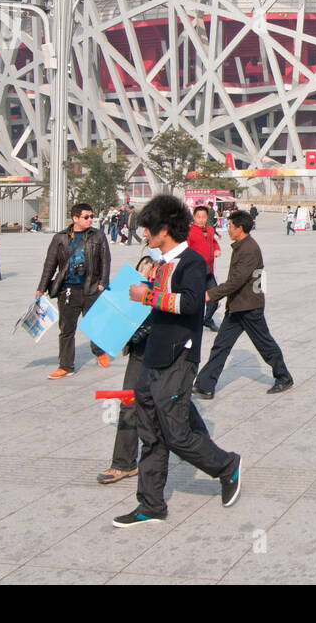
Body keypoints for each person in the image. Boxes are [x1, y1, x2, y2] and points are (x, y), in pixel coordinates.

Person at [113, 195, 242, 527]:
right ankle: (151, 504)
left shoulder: (192, 263)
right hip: (152, 355)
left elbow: (191, 305)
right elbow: (157, 308)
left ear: (164, 229)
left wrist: (149, 295)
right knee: (151, 434)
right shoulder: (159, 264)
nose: (144, 236)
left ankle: (226, 466)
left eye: (148, 230)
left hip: (179, 358)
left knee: (177, 434)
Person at [194, 210, 294, 398]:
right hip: (237, 306)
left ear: (240, 228)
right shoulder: (241, 245)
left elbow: (237, 281)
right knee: (221, 346)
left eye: (231, 226)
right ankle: (204, 385)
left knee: (265, 344)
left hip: (249, 307)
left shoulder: (249, 249)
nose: (228, 229)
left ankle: (284, 377)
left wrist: (210, 295)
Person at [98, 249, 156, 486]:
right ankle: (123, 463)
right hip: (140, 347)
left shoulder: (181, 264)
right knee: (129, 402)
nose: (146, 236)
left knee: (174, 411)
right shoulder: (146, 262)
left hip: (166, 350)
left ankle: (212, 459)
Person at [37, 202, 112, 379]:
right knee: (66, 330)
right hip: (68, 291)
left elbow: (105, 261)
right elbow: (50, 265)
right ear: (75, 218)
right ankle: (66, 366)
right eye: (86, 217)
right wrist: (41, 288)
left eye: (92, 216)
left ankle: (99, 350)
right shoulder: (60, 238)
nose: (90, 220)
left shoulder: (98, 236)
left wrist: (102, 283)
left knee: (95, 324)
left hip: (91, 288)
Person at [188, 205, 222, 332]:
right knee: (195, 300)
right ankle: (193, 322)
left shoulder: (210, 229)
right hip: (195, 272)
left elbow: (213, 242)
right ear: (194, 217)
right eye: (199, 217)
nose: (201, 220)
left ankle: (206, 320)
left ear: (207, 217)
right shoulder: (190, 232)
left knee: (214, 298)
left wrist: (217, 249)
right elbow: (186, 250)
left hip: (209, 271)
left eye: (204, 217)